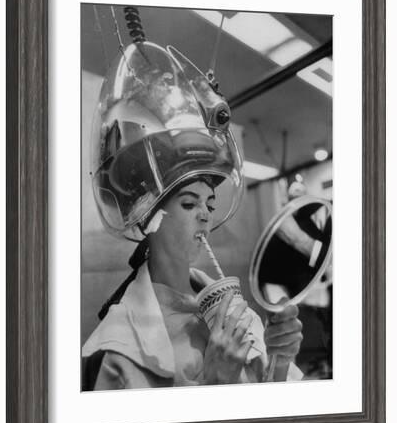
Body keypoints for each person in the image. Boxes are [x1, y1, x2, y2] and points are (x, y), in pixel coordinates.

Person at [82, 35, 303, 390]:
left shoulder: (237, 314)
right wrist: (215, 384)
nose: (205, 216)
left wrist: (278, 361)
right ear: (148, 216)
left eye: (209, 204)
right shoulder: (120, 351)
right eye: (188, 203)